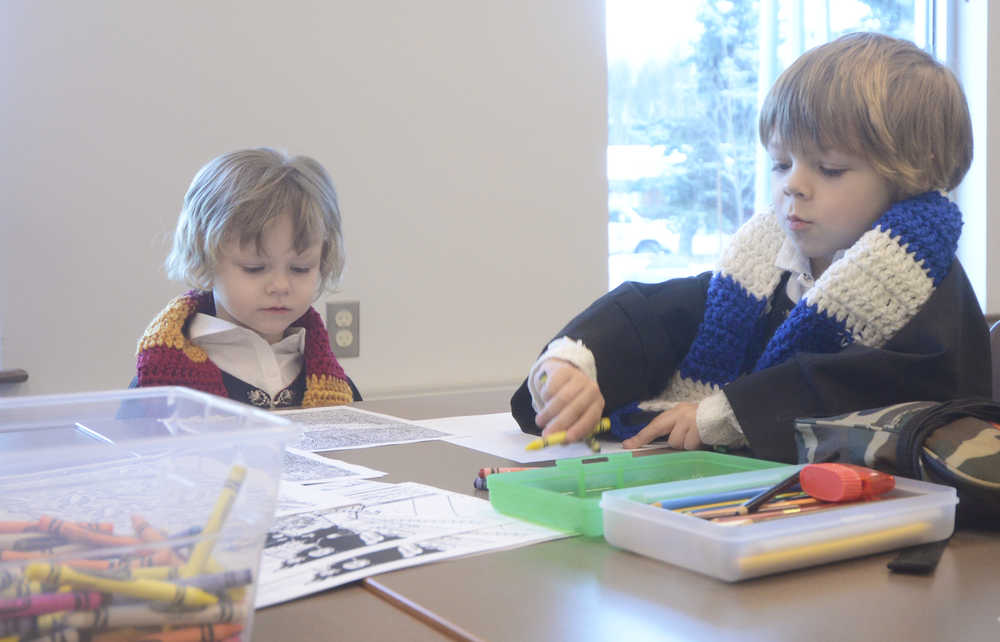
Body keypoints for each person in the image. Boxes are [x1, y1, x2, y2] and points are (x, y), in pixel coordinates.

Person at [511, 32, 991, 463]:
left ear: (916, 176)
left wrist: (728, 415)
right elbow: (666, 313)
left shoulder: (925, 290)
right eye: (781, 163)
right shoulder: (768, 265)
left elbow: (879, 392)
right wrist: (574, 364)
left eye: (830, 169)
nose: (794, 186)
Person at [134, 148, 360, 408]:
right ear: (205, 259)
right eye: (254, 268)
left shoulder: (333, 386)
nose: (280, 286)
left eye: (300, 268)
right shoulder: (160, 380)